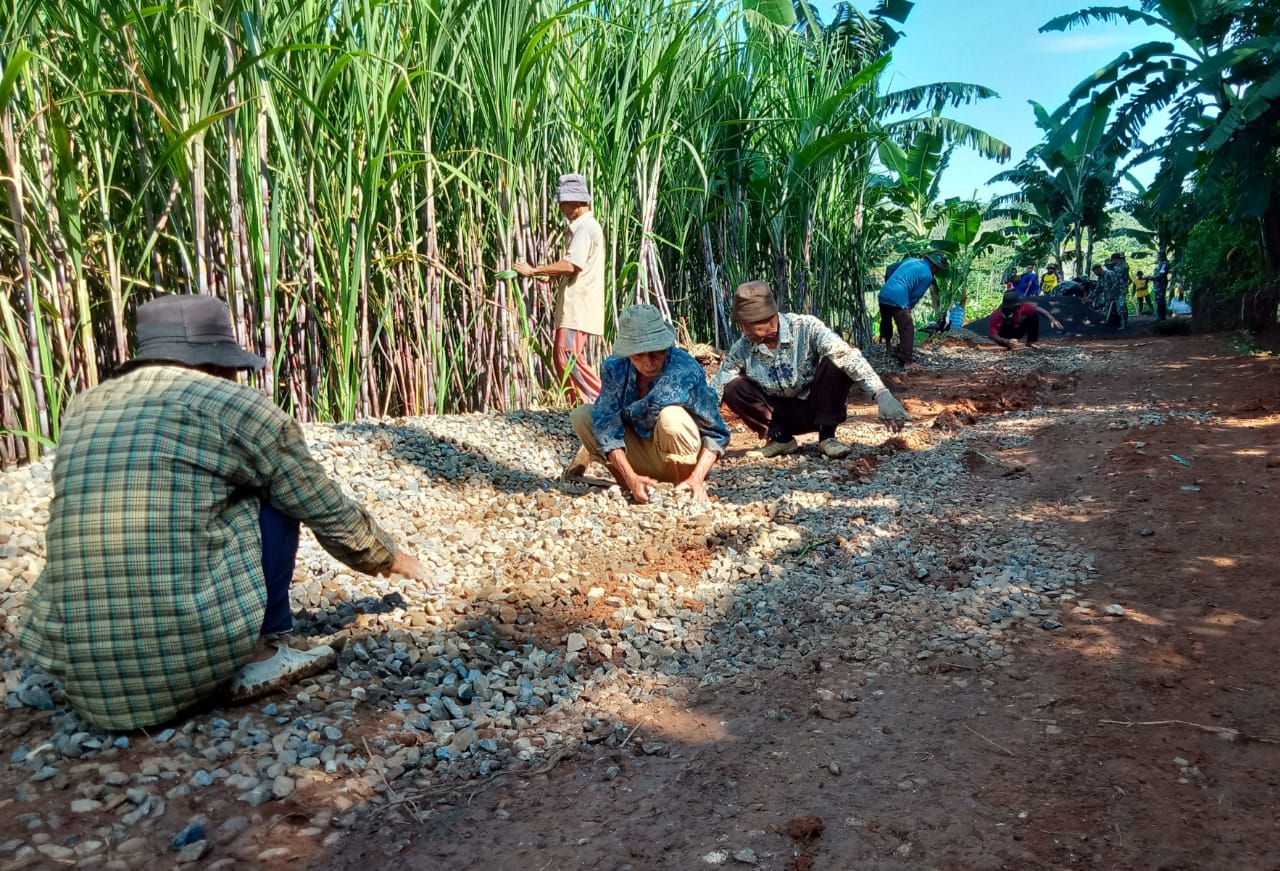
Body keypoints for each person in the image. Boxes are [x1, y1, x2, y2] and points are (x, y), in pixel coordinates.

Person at [16, 295, 424, 731]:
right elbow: (322, 504)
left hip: (80, 670)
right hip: (192, 654)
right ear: (216, 363)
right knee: (275, 490)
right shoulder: (237, 406)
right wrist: (389, 557)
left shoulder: (85, 406)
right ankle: (258, 655)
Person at [712, 281, 908, 459]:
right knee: (732, 386)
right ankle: (781, 440)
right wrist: (697, 424)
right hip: (775, 415)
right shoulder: (743, 347)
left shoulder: (806, 327)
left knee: (836, 361)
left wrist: (881, 393)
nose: (744, 333)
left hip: (815, 408)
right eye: (741, 327)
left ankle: (827, 437)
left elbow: (847, 356)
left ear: (769, 318)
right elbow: (717, 386)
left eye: (748, 326)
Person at [568, 304, 729, 503]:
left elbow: (717, 433)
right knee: (583, 416)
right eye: (638, 356)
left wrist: (698, 477)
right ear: (628, 354)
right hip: (638, 456)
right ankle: (630, 485)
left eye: (656, 353)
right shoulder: (614, 368)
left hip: (680, 457)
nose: (649, 363)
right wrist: (630, 475)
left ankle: (685, 488)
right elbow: (607, 426)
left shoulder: (685, 369)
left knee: (672, 417)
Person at [513, 173, 605, 403]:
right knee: (564, 356)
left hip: (579, 305)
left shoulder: (585, 229)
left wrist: (534, 270)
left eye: (563, 203)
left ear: (575, 201)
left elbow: (571, 265)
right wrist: (552, 277)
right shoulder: (583, 228)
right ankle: (581, 405)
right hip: (575, 304)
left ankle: (601, 401)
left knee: (567, 355)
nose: (561, 208)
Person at [877, 251, 947, 367]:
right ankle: (907, 361)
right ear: (934, 266)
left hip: (884, 294)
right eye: (938, 269)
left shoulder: (911, 260)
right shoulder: (927, 275)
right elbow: (915, 296)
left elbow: (890, 268)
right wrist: (908, 308)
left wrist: (890, 286)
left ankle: (888, 346)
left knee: (886, 321)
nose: (936, 272)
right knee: (907, 326)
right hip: (898, 298)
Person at [988, 291, 1064, 349]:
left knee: (1033, 316)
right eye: (1015, 306)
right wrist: (1006, 341)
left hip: (1014, 332)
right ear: (1007, 306)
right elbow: (993, 335)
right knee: (1007, 322)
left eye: (1018, 306)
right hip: (1003, 337)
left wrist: (1051, 318)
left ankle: (1030, 342)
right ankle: (1009, 343)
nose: (1018, 308)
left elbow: (1038, 309)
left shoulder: (1019, 307)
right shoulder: (997, 315)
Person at [1097, 252, 1131, 328]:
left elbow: (1119, 281)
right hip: (1114, 291)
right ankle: (1111, 322)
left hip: (1120, 290)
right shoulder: (1114, 269)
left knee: (1121, 306)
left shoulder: (1122, 266)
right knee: (1111, 307)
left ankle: (1124, 324)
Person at [1152, 252, 1172, 320]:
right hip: (1158, 285)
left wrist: (1152, 277)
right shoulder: (1160, 264)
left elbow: (1161, 275)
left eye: (1158, 256)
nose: (1157, 257)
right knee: (1158, 300)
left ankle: (1161, 317)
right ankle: (1160, 316)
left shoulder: (1164, 264)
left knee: (1160, 300)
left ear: (1161, 256)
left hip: (1161, 284)